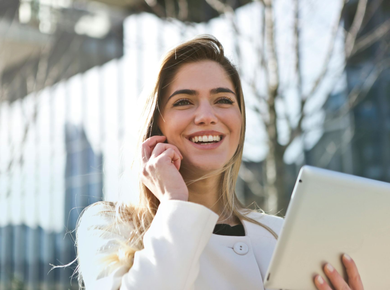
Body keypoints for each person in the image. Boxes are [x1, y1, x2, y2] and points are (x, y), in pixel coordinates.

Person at [76, 35, 364, 290]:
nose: (206, 115)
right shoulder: (107, 226)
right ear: (155, 126)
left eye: (223, 100)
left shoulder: (281, 235)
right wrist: (175, 203)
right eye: (184, 102)